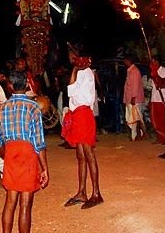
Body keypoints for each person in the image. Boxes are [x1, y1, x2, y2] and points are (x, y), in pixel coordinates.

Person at [0, 71, 49, 233]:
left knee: (10, 202)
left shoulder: (1, 110)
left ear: (9, 86)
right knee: (25, 204)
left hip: (11, 153)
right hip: (28, 155)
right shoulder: (33, 108)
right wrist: (44, 168)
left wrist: (6, 155)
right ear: (26, 85)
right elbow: (39, 142)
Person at [61, 49, 104, 209]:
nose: (71, 59)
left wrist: (76, 70)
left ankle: (96, 193)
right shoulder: (78, 72)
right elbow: (70, 91)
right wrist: (74, 70)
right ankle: (81, 192)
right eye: (70, 57)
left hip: (84, 115)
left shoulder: (86, 73)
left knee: (88, 153)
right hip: (76, 115)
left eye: (73, 56)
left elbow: (79, 95)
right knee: (80, 155)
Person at [123, 54, 147, 141]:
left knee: (135, 118)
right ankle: (137, 134)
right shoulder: (131, 71)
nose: (124, 62)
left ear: (129, 61)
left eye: (125, 60)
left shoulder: (134, 71)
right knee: (134, 117)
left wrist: (133, 97)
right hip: (131, 98)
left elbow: (135, 86)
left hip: (134, 99)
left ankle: (138, 134)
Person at [148, 56, 165, 145]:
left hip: (162, 99)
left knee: (162, 120)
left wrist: (156, 75)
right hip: (154, 99)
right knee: (154, 120)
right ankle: (159, 137)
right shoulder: (153, 71)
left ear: (157, 62)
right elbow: (153, 88)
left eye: (153, 62)